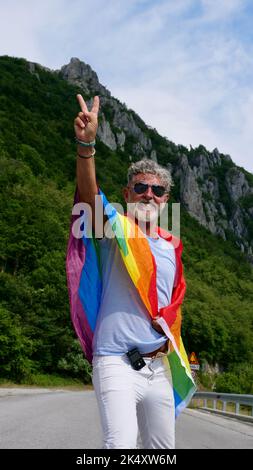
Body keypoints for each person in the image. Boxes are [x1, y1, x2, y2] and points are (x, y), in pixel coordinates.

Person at [66, 94, 196, 450]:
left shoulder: (172, 246)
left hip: (159, 365)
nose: (149, 195)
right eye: (140, 187)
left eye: (157, 190)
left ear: (166, 199)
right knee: (119, 445)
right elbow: (90, 201)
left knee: (162, 451)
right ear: (127, 193)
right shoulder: (115, 231)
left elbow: (172, 305)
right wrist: (87, 146)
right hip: (115, 361)